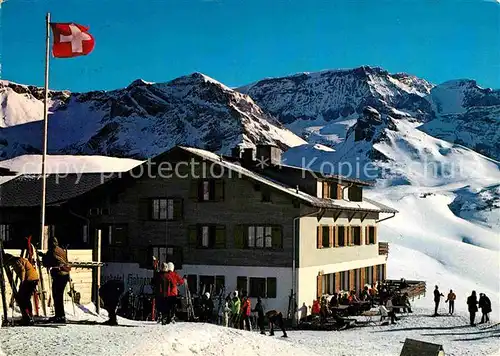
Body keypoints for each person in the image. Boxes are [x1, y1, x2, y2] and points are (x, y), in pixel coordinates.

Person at [40, 237, 71, 323]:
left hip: (59, 275)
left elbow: (47, 262)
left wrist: (44, 257)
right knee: (59, 296)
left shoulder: (52, 250)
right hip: (64, 275)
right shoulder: (60, 250)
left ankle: (59, 316)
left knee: (57, 296)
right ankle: (60, 315)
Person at [2, 253, 39, 325]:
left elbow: (22, 270)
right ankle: (28, 316)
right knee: (25, 298)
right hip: (32, 279)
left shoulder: (16, 261)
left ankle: (28, 317)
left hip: (29, 280)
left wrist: (22, 282)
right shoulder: (19, 260)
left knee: (23, 298)